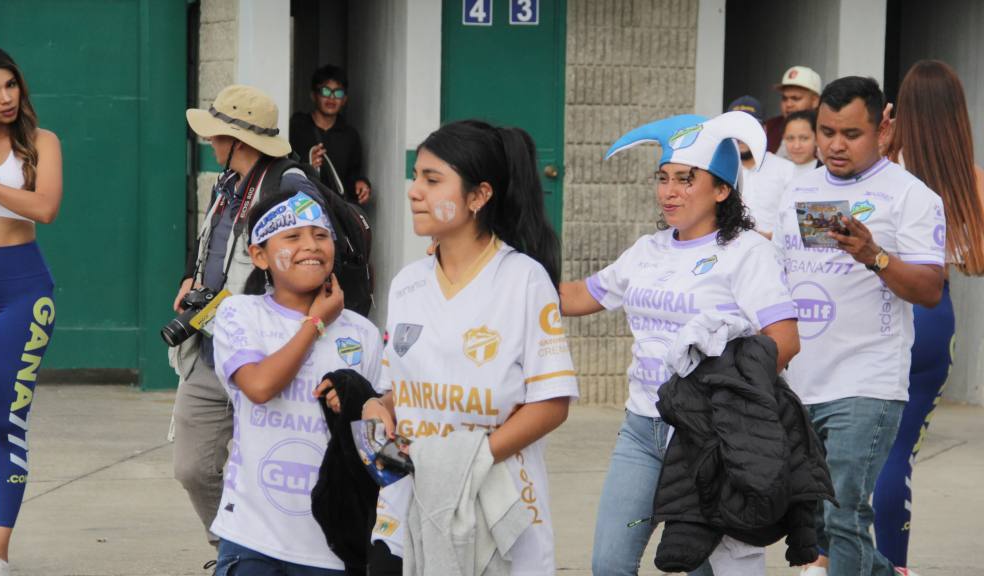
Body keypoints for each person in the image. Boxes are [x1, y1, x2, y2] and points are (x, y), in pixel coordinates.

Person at [560, 111, 801, 576]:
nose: (669, 191)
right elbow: (577, 296)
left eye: (686, 180)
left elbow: (784, 340)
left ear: (722, 189)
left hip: (709, 436)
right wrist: (498, 271)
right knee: (609, 563)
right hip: (641, 429)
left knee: (702, 568)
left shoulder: (747, 253)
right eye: (664, 178)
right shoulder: (648, 250)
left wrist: (727, 391)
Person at [360, 120, 578, 575]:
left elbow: (551, 404)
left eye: (432, 179)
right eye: (416, 176)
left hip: (502, 507)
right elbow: (395, 390)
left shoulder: (524, 281)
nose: (414, 191)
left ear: (478, 196)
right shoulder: (407, 284)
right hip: (410, 503)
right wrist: (379, 408)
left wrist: (467, 462)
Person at [772, 76, 946, 576]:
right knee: (820, 522)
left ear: (881, 130)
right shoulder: (800, 188)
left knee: (844, 510)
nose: (835, 144)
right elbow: (782, 271)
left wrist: (876, 256)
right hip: (801, 381)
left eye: (851, 134)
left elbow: (930, 289)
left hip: (867, 380)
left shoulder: (910, 196)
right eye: (827, 131)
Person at [173, 84, 322, 546]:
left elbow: (315, 254)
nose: (210, 142)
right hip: (210, 345)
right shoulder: (227, 184)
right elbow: (216, 244)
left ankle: (259, 556)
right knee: (193, 467)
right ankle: (231, 547)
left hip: (268, 350)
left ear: (239, 142)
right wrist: (191, 280)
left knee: (270, 467)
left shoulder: (289, 185)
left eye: (217, 134)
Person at [209, 189, 382, 575]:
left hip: (330, 545)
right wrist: (316, 323)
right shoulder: (241, 314)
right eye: (292, 237)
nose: (311, 246)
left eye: (321, 235)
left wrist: (356, 402)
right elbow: (259, 386)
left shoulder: (364, 334)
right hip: (251, 536)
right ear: (259, 256)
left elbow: (377, 434)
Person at [872, 60, 984, 576]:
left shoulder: (882, 169)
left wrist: (880, 143)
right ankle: (894, 566)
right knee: (899, 452)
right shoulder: (972, 182)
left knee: (848, 446)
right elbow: (975, 262)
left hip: (877, 312)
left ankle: (830, 558)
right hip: (936, 316)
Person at [0, 45, 63, 576]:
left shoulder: (40, 143)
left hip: (21, 288)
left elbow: (45, 208)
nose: (4, 98)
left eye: (10, 86)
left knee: (9, 420)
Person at [289, 66, 371, 206]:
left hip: (336, 210)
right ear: (313, 95)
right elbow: (285, 167)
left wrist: (361, 183)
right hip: (302, 205)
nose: (332, 97)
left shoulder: (350, 135)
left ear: (345, 99)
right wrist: (309, 165)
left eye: (338, 93)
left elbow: (353, 174)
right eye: (326, 91)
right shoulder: (297, 127)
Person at [728, 96, 795, 235]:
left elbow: (794, 219)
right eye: (735, 128)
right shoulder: (720, 172)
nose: (741, 135)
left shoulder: (786, 169)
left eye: (748, 127)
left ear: (764, 130)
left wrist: (771, 237)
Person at [764, 66, 822, 157]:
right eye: (784, 98)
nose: (789, 104)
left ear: (815, 101)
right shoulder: (770, 127)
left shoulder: (826, 129)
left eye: (795, 98)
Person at [783, 110, 820, 176]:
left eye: (804, 138)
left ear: (817, 139)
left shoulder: (826, 172)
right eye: (790, 138)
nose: (796, 146)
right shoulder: (775, 172)